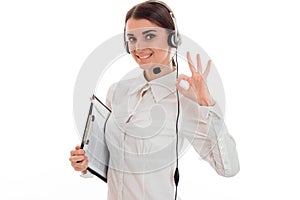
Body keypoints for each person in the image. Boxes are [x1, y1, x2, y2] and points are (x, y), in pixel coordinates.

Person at [69, 1, 240, 199]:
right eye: (131, 39)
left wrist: (205, 102)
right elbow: (111, 158)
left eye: (149, 36)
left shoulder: (184, 101)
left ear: (172, 39)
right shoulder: (118, 91)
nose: (138, 47)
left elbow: (228, 168)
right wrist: (86, 162)